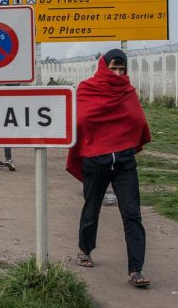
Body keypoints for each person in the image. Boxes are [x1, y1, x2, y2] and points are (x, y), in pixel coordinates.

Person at [66, 49, 152, 288]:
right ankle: (85, 249)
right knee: (91, 208)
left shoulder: (127, 91)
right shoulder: (87, 89)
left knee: (133, 214)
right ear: (104, 67)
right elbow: (81, 120)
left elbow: (138, 120)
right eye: (113, 68)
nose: (117, 73)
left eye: (121, 69)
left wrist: (124, 138)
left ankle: (136, 269)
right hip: (94, 161)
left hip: (124, 163)